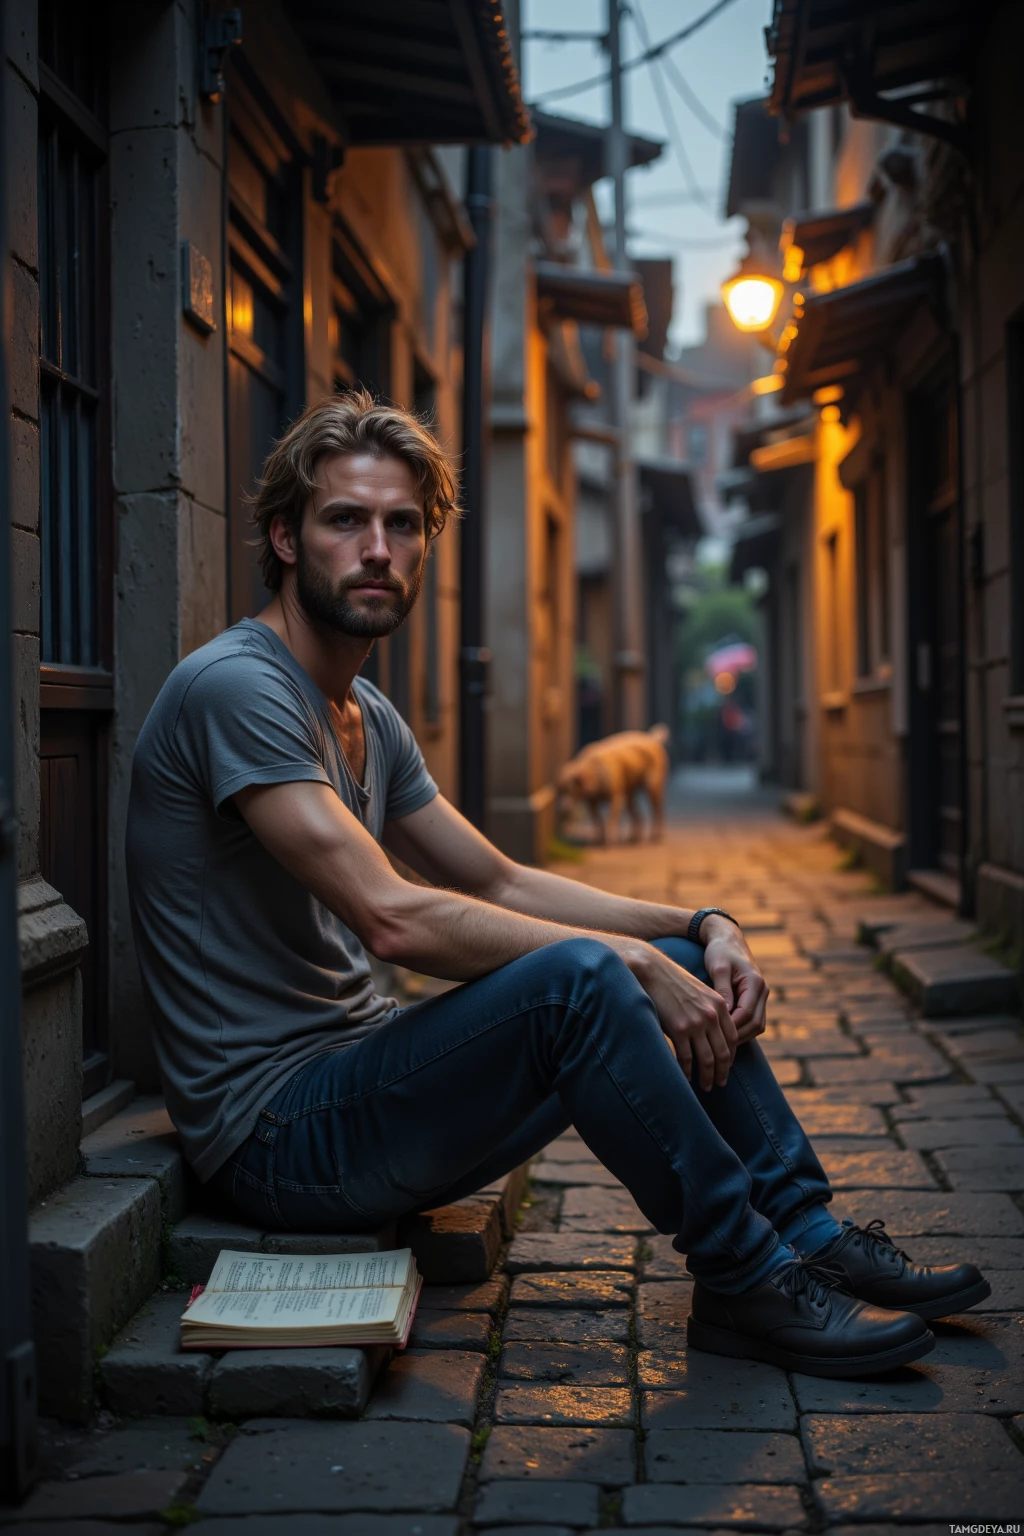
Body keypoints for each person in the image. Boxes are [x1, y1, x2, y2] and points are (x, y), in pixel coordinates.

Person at [126, 392, 989, 1380]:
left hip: (359, 1083)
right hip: (275, 1139)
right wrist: (616, 961)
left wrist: (699, 923)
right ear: (285, 538)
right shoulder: (239, 688)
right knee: (588, 980)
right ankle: (746, 1275)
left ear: (424, 545)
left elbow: (495, 874)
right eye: (344, 521)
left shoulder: (362, 709)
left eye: (401, 525)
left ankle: (804, 1232)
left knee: (660, 962)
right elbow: (392, 916)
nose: (377, 548)